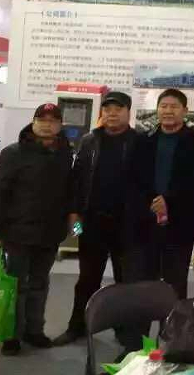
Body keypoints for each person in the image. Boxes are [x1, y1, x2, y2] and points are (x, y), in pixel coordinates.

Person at [0, 103, 74, 356]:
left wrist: (73, 227)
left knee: (39, 284)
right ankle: (11, 335)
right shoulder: (13, 153)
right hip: (17, 234)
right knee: (16, 286)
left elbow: (70, 193)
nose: (47, 125)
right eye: (41, 120)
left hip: (49, 234)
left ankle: (34, 331)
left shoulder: (65, 154)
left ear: (60, 125)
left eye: (52, 120)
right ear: (33, 123)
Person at [124, 88, 194, 351]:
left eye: (174, 106)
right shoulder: (143, 141)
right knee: (143, 284)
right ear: (157, 110)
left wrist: (169, 201)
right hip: (145, 225)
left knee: (175, 286)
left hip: (180, 226)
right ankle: (137, 344)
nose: (168, 111)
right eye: (164, 106)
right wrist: (152, 201)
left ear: (185, 111)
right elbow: (132, 180)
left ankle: (172, 342)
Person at [53, 92, 139, 346]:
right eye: (108, 109)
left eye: (118, 109)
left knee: (126, 281)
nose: (112, 113)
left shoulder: (140, 142)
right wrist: (74, 217)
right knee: (87, 279)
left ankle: (125, 330)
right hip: (91, 223)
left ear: (128, 112)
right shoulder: (90, 140)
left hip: (127, 225)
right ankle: (77, 326)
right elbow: (77, 180)